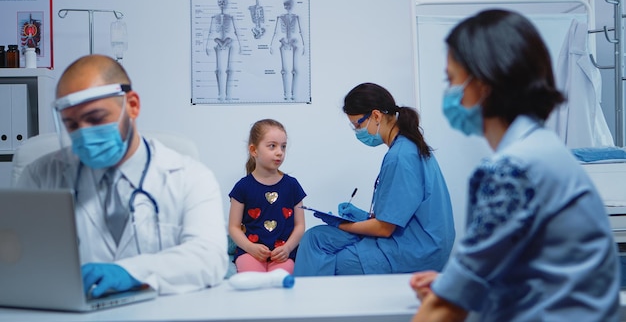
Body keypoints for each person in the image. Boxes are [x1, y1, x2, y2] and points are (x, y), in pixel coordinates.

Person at [410, 9, 620, 322]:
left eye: (451, 79)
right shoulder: (545, 150)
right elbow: (528, 266)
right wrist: (455, 284)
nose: (450, 92)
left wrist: (453, 292)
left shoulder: (513, 169)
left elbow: (445, 309)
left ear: (483, 84)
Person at [16, 54, 229, 297]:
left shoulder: (191, 176)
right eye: (72, 125)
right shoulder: (40, 177)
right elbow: (20, 260)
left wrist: (130, 272)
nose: (84, 134)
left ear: (132, 105)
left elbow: (209, 258)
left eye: (96, 118)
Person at [293, 83, 456, 276]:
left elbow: (385, 228)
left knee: (320, 255)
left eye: (358, 125)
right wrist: (358, 215)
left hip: (414, 252)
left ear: (376, 116)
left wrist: (341, 224)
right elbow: (398, 215)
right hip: (416, 241)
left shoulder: (400, 156)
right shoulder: (408, 147)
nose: (357, 132)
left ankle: (308, 302)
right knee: (315, 237)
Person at [228, 119, 306, 273]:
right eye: (272, 146)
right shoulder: (242, 187)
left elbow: (300, 225)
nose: (280, 152)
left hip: (283, 254)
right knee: (254, 281)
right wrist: (250, 247)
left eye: (283, 147)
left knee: (281, 280)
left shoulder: (292, 186)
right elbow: (233, 227)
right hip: (250, 252)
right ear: (254, 150)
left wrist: (288, 248)